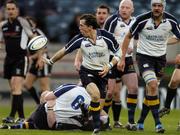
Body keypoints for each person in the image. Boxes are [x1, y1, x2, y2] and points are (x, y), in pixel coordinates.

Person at [43, 14, 121, 135]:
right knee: (95, 95)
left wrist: (109, 66)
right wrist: (50, 61)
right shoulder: (80, 39)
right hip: (87, 72)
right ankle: (96, 129)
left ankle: (86, 110)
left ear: (90, 27)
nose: (79, 28)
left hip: (103, 73)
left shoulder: (107, 36)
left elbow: (118, 53)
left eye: (82, 25)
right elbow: (64, 50)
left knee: (98, 106)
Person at [118, 0, 180, 133]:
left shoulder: (172, 21)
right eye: (154, 5)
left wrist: (167, 43)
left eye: (159, 6)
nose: (156, 8)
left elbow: (179, 37)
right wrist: (122, 58)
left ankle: (140, 121)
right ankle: (158, 123)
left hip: (160, 60)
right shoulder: (142, 20)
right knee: (152, 85)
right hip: (144, 57)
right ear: (151, 6)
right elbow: (128, 36)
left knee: (151, 90)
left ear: (164, 7)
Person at [0, 83, 110, 130]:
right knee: (101, 120)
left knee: (45, 97)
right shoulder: (92, 100)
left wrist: (50, 101)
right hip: (62, 122)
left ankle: (16, 125)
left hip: (48, 117)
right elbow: (105, 117)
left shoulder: (70, 87)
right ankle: (16, 125)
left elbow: (47, 97)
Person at [103, 0, 138, 130]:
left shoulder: (135, 21)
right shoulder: (112, 20)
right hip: (111, 59)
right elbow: (105, 40)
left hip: (128, 59)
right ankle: (104, 120)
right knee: (110, 92)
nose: (124, 10)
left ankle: (131, 121)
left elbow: (138, 39)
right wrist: (120, 52)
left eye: (127, 7)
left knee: (133, 88)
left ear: (132, 10)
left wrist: (133, 48)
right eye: (122, 7)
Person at [0, 0, 35, 123]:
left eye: (12, 9)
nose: (10, 11)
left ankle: (11, 116)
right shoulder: (3, 25)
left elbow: (34, 38)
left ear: (17, 10)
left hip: (21, 58)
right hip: (8, 59)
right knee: (15, 89)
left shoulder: (22, 22)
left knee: (16, 86)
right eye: (8, 9)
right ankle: (21, 117)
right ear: (5, 11)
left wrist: (39, 55)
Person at [24, 16, 52, 105]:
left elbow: (44, 49)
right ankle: (39, 104)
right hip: (35, 61)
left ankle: (50, 107)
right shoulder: (26, 34)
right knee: (26, 84)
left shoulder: (37, 32)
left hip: (43, 60)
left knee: (45, 87)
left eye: (30, 23)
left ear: (34, 24)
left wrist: (34, 57)